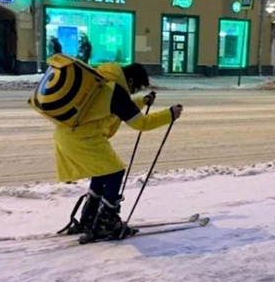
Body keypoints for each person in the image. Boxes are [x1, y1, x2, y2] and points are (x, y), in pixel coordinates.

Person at [54, 61, 183, 240]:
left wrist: (142, 102)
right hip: (83, 138)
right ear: (130, 81)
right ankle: (104, 224)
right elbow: (140, 123)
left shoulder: (105, 81)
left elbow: (119, 108)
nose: (133, 93)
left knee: (103, 171)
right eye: (135, 89)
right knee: (116, 171)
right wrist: (169, 114)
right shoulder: (116, 91)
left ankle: (90, 218)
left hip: (69, 134)